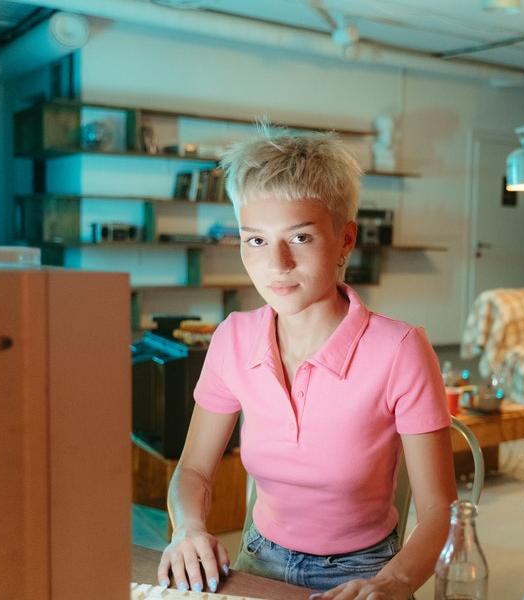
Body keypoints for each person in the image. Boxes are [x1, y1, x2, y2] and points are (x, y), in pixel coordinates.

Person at [157, 127, 458, 600]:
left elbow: (441, 509)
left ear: (345, 239)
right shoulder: (233, 338)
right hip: (256, 561)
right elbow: (193, 471)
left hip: (366, 574)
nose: (276, 264)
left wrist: (394, 582)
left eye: (299, 237)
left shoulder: (400, 348)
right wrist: (188, 528)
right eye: (254, 240)